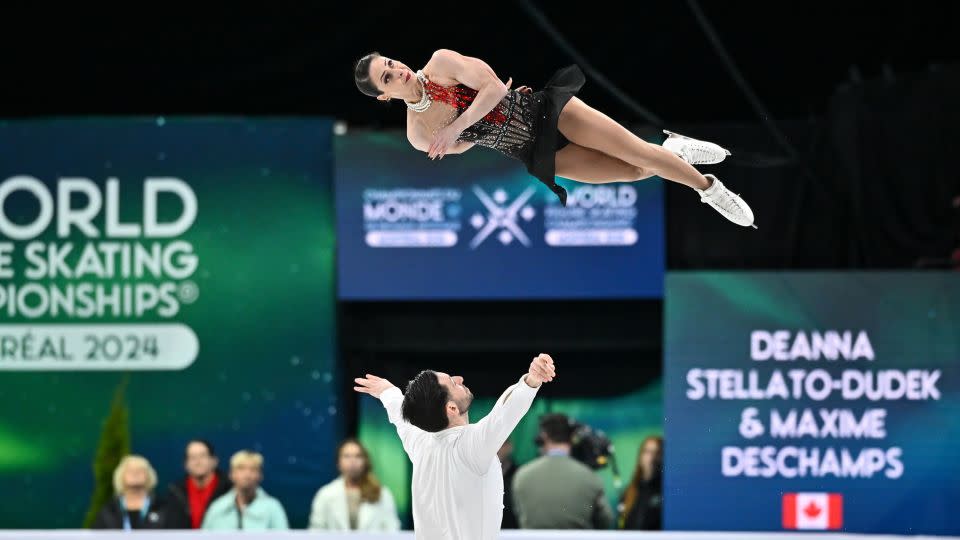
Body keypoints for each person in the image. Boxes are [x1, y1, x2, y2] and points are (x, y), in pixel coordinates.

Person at [353, 49, 755, 228]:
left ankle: (710, 189)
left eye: (391, 62)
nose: (398, 70)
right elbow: (470, 141)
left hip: (549, 113)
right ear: (385, 95)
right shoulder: (417, 135)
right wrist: (477, 125)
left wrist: (464, 121)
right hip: (535, 153)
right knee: (635, 169)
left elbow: (492, 88)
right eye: (387, 77)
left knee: (638, 153)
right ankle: (674, 150)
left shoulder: (440, 63)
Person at [353, 353, 557, 540]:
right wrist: (531, 380)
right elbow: (506, 412)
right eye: (453, 383)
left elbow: (400, 415)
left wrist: (388, 392)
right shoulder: (471, 445)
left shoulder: (420, 443)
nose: (459, 380)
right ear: (451, 408)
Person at [511, 413, 613, 529]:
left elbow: (517, 515)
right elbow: (605, 521)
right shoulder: (590, 477)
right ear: (572, 438)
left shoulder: (522, 476)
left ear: (543, 437)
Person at [308, 438, 401, 532]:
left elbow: (392, 529)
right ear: (338, 463)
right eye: (347, 456)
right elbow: (316, 530)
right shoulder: (325, 494)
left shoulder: (382, 494)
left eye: (358, 456)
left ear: (365, 461)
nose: (352, 461)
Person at [202, 450, 289, 530]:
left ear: (260, 475)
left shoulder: (273, 508)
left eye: (253, 469)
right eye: (241, 468)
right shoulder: (217, 507)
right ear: (231, 474)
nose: (247, 475)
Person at [93, 455, 175, 530]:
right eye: (130, 470)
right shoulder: (109, 511)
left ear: (149, 476)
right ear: (121, 477)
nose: (135, 473)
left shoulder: (163, 508)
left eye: (140, 470)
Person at [166, 439, 233, 529]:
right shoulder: (175, 492)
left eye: (202, 456)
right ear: (185, 464)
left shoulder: (230, 490)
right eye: (193, 457)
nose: (198, 462)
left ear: (214, 461)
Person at [618, 435, 663, 530]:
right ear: (640, 455)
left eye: (656, 453)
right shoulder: (629, 492)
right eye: (647, 452)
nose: (652, 457)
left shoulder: (664, 491)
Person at [498, 440, 519, 529]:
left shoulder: (520, 475)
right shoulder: (478, 476)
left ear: (509, 446)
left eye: (500, 445)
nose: (496, 449)